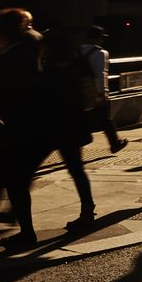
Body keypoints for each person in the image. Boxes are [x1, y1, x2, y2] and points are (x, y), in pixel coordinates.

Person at [0, 8, 46, 251]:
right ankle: (22, 228)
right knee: (17, 180)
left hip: (17, 126)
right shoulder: (28, 49)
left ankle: (26, 232)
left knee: (16, 181)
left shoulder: (13, 56)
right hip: (31, 124)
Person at [42, 28, 98, 230]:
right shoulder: (79, 61)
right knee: (76, 168)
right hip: (74, 122)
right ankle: (87, 209)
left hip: (54, 123)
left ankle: (11, 213)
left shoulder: (50, 66)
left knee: (27, 168)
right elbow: (90, 94)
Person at [80, 25, 128, 153]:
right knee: (105, 119)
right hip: (94, 90)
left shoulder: (78, 50)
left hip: (79, 89)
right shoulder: (100, 53)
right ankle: (114, 143)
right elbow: (101, 74)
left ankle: (82, 139)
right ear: (99, 38)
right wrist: (103, 93)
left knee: (81, 116)